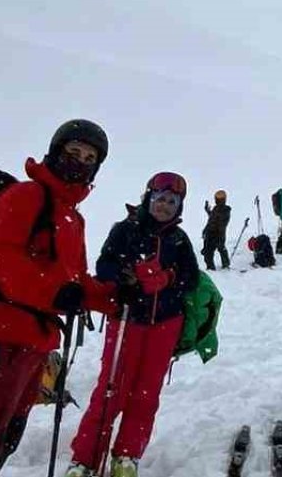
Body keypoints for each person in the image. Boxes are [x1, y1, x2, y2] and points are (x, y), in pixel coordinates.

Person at [0, 119, 117, 477]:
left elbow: (74, 282)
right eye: (73, 152)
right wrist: (56, 292)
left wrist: (116, 299)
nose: (80, 162)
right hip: (0, 330)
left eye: (89, 158)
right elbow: (2, 258)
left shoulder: (71, 218)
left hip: (36, 340)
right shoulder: (26, 196)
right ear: (55, 152)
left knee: (5, 437)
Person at [65, 172, 200, 477]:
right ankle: (84, 458)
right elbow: (105, 265)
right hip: (127, 320)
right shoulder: (126, 230)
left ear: (178, 206)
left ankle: (127, 455)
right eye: (160, 199)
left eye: (171, 201)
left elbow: (191, 277)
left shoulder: (179, 239)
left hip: (165, 324)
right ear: (148, 198)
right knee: (112, 388)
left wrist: (167, 278)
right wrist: (125, 278)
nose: (164, 206)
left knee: (146, 392)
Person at [201, 190, 232, 270]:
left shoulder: (225, 211)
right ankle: (210, 267)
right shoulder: (216, 209)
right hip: (211, 233)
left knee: (220, 248)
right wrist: (208, 210)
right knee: (208, 252)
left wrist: (216, 235)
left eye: (219, 200)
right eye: (216, 199)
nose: (217, 201)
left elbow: (220, 223)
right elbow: (212, 218)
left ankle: (225, 265)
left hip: (217, 234)